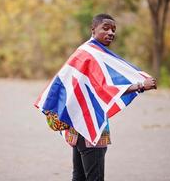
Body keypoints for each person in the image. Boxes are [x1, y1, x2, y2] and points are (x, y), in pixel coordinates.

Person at [65, 13, 157, 181]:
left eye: (113, 29)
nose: (111, 33)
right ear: (93, 29)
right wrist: (141, 85)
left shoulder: (85, 51)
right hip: (91, 125)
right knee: (95, 177)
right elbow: (103, 89)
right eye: (105, 28)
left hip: (78, 125)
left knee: (79, 177)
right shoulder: (92, 54)